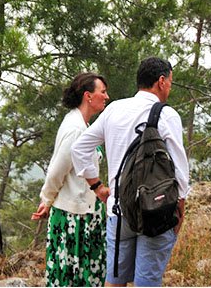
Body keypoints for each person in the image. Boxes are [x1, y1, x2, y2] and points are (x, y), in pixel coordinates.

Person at [71, 57, 189, 287]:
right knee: (147, 282)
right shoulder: (167, 115)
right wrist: (179, 211)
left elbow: (79, 148)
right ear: (161, 81)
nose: (170, 88)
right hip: (156, 209)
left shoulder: (114, 109)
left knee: (114, 282)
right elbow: (179, 170)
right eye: (170, 82)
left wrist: (97, 186)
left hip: (119, 209)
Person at [31, 72, 110, 287]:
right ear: (88, 96)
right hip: (74, 219)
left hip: (85, 213)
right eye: (102, 92)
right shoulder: (75, 129)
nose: (106, 96)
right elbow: (57, 170)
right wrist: (46, 200)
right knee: (72, 277)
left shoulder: (82, 125)